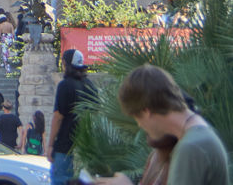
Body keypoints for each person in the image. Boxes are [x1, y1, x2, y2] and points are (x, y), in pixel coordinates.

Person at [98, 64, 229, 185]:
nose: (139, 125)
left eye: (137, 118)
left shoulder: (191, 147)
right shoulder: (198, 135)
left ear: (146, 111)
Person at [46, 48, 96, 185]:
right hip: (85, 147)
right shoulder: (90, 86)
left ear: (65, 64)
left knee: (60, 180)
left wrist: (50, 145)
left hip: (64, 146)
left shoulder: (65, 85)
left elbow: (58, 117)